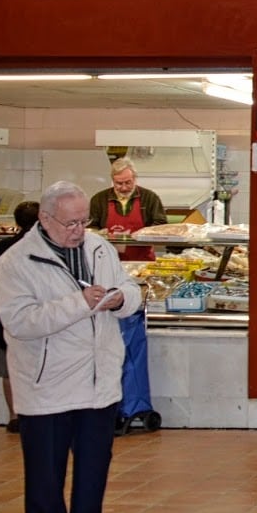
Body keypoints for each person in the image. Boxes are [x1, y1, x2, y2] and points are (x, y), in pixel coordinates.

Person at [0, 181, 140, 513]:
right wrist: (79, 304)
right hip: (47, 381)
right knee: (46, 466)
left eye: (83, 221)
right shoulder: (16, 262)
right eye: (69, 223)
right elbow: (20, 321)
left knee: (95, 460)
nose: (78, 230)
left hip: (98, 377)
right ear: (44, 219)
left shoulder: (99, 247)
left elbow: (128, 285)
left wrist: (125, 298)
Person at [86, 159, 166, 435]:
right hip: (108, 267)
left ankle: (129, 405)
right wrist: (104, 234)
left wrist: (139, 234)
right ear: (112, 181)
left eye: (128, 182)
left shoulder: (150, 198)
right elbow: (89, 228)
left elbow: (161, 226)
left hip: (142, 264)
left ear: (135, 179)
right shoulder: (99, 200)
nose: (123, 187)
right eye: (119, 183)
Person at [0, 200, 39, 433]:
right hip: (40, 319)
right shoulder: (46, 248)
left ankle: (14, 416)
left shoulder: (1, 248)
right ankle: (37, 413)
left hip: (6, 319)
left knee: (8, 369)